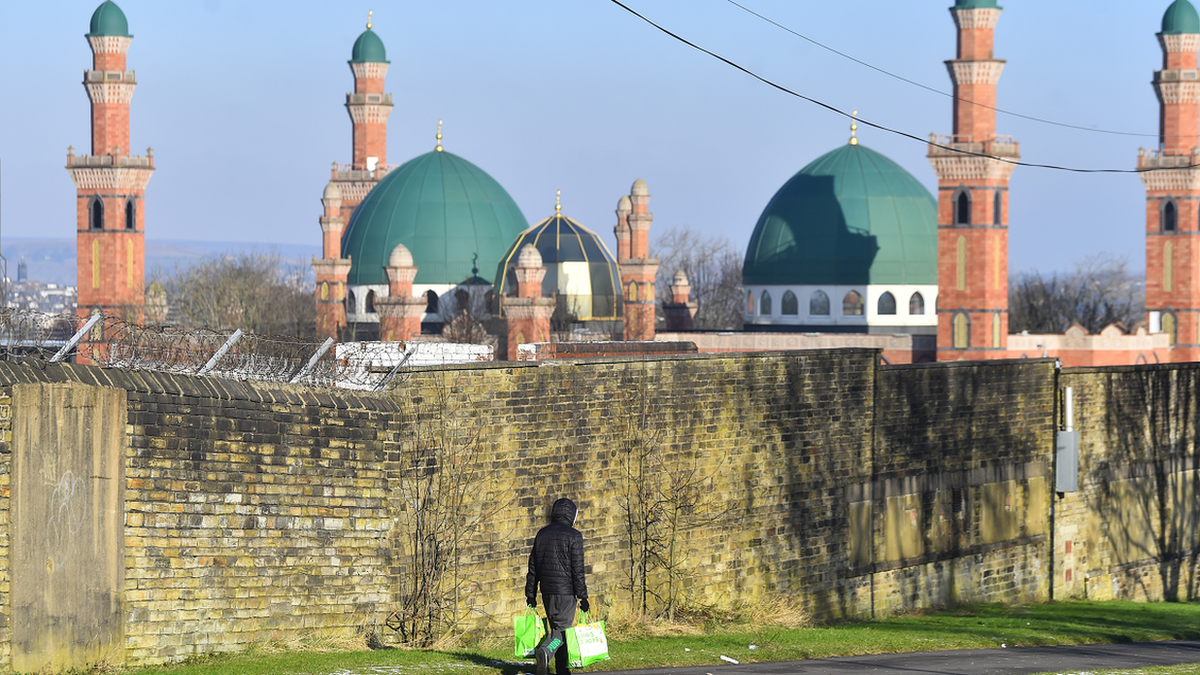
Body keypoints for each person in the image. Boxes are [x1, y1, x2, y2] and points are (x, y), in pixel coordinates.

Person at [525, 497, 589, 675]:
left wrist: (530, 594)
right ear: (572, 515)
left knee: (558, 630)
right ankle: (545, 652)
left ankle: (562, 669)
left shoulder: (541, 534)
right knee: (561, 632)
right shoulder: (574, 536)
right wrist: (583, 596)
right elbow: (578, 570)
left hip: (547, 592)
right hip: (566, 594)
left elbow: (533, 568)